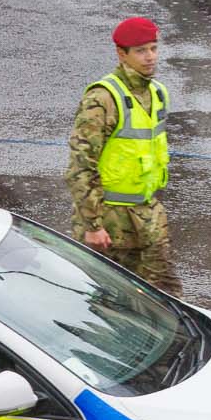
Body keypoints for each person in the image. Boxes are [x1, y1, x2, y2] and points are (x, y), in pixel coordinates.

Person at [69, 17, 170, 269]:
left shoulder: (157, 93)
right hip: (111, 225)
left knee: (166, 301)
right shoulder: (102, 99)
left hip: (149, 220)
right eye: (140, 51)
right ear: (121, 54)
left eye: (153, 48)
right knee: (108, 304)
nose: (150, 57)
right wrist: (93, 226)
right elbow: (81, 166)